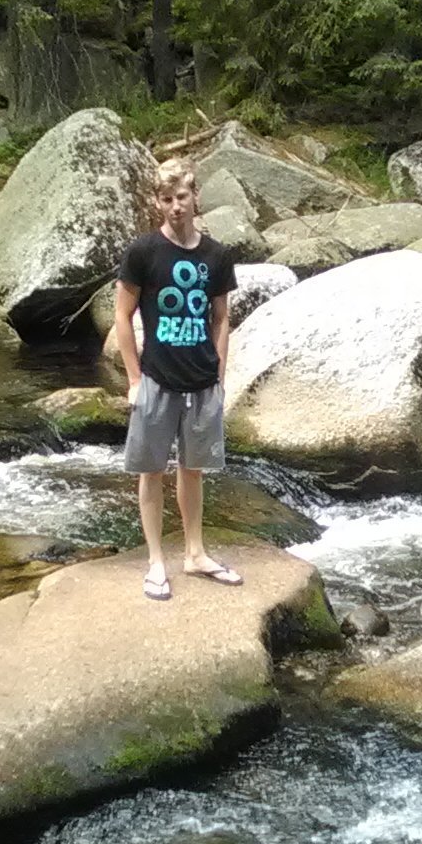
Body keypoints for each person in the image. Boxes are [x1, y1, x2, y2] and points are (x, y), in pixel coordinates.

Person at [114, 156, 242, 600]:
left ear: (195, 197)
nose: (175, 206)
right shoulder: (143, 252)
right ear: (158, 202)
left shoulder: (216, 255)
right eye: (167, 199)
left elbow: (221, 318)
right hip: (156, 379)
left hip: (202, 382)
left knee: (193, 470)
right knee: (151, 471)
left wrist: (219, 376)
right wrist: (134, 379)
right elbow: (122, 316)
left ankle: (195, 553)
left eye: (182, 197)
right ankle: (155, 562)